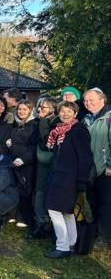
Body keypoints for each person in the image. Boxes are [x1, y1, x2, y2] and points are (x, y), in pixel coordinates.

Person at [45, 101, 94, 258]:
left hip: (69, 178)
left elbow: (85, 157)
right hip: (59, 175)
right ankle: (71, 242)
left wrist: (81, 180)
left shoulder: (78, 131)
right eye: (62, 111)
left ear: (75, 113)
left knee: (53, 209)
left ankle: (62, 246)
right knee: (66, 211)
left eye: (68, 111)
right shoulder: (59, 131)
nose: (64, 114)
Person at [82, 88, 111, 247]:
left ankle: (104, 235)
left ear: (102, 100)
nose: (88, 103)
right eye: (86, 101)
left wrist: (110, 164)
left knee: (106, 202)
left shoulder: (109, 118)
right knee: (92, 199)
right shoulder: (86, 119)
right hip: (90, 167)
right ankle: (96, 229)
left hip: (105, 167)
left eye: (91, 100)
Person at [29, 97, 59, 239]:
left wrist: (42, 122)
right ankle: (39, 220)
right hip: (38, 162)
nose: (39, 109)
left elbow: (45, 142)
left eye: (44, 108)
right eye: (39, 106)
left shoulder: (54, 124)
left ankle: (43, 223)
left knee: (42, 192)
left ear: (53, 109)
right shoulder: (39, 120)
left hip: (48, 163)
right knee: (38, 191)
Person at [6, 99, 39, 228]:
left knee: (26, 190)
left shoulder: (34, 125)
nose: (21, 111)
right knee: (15, 189)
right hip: (14, 162)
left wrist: (24, 159)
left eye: (25, 109)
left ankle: (24, 218)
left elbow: (34, 146)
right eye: (19, 109)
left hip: (26, 164)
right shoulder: (16, 124)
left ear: (30, 110)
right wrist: (10, 145)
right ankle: (13, 214)